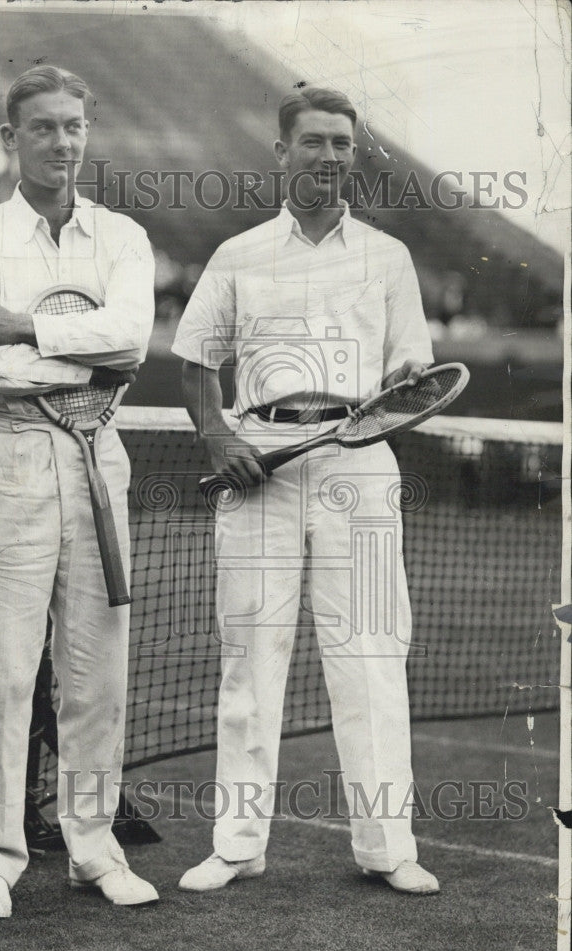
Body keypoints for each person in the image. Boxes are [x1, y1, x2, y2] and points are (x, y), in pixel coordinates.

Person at [172, 87, 440, 896]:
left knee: (369, 658)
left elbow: (413, 372)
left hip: (359, 466)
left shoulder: (388, 257)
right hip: (260, 462)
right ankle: (239, 843)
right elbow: (195, 364)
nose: (330, 156)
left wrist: (401, 383)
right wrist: (219, 435)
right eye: (314, 142)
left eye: (343, 144)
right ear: (281, 152)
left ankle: (388, 849)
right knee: (251, 661)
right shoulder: (239, 253)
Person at [0, 65, 158, 916]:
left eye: (73, 126)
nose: (62, 142)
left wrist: (24, 323)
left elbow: (134, 340)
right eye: (43, 128)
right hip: (10, 458)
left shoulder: (123, 239)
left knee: (97, 671)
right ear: (10, 139)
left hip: (99, 456)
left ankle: (93, 848)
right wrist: (82, 346)